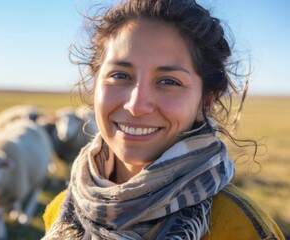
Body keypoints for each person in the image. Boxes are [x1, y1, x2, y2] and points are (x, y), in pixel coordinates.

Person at [42, 0, 284, 239]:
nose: (136, 106)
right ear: (95, 87)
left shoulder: (242, 228)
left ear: (206, 102)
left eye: (169, 81)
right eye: (119, 75)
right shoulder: (60, 213)